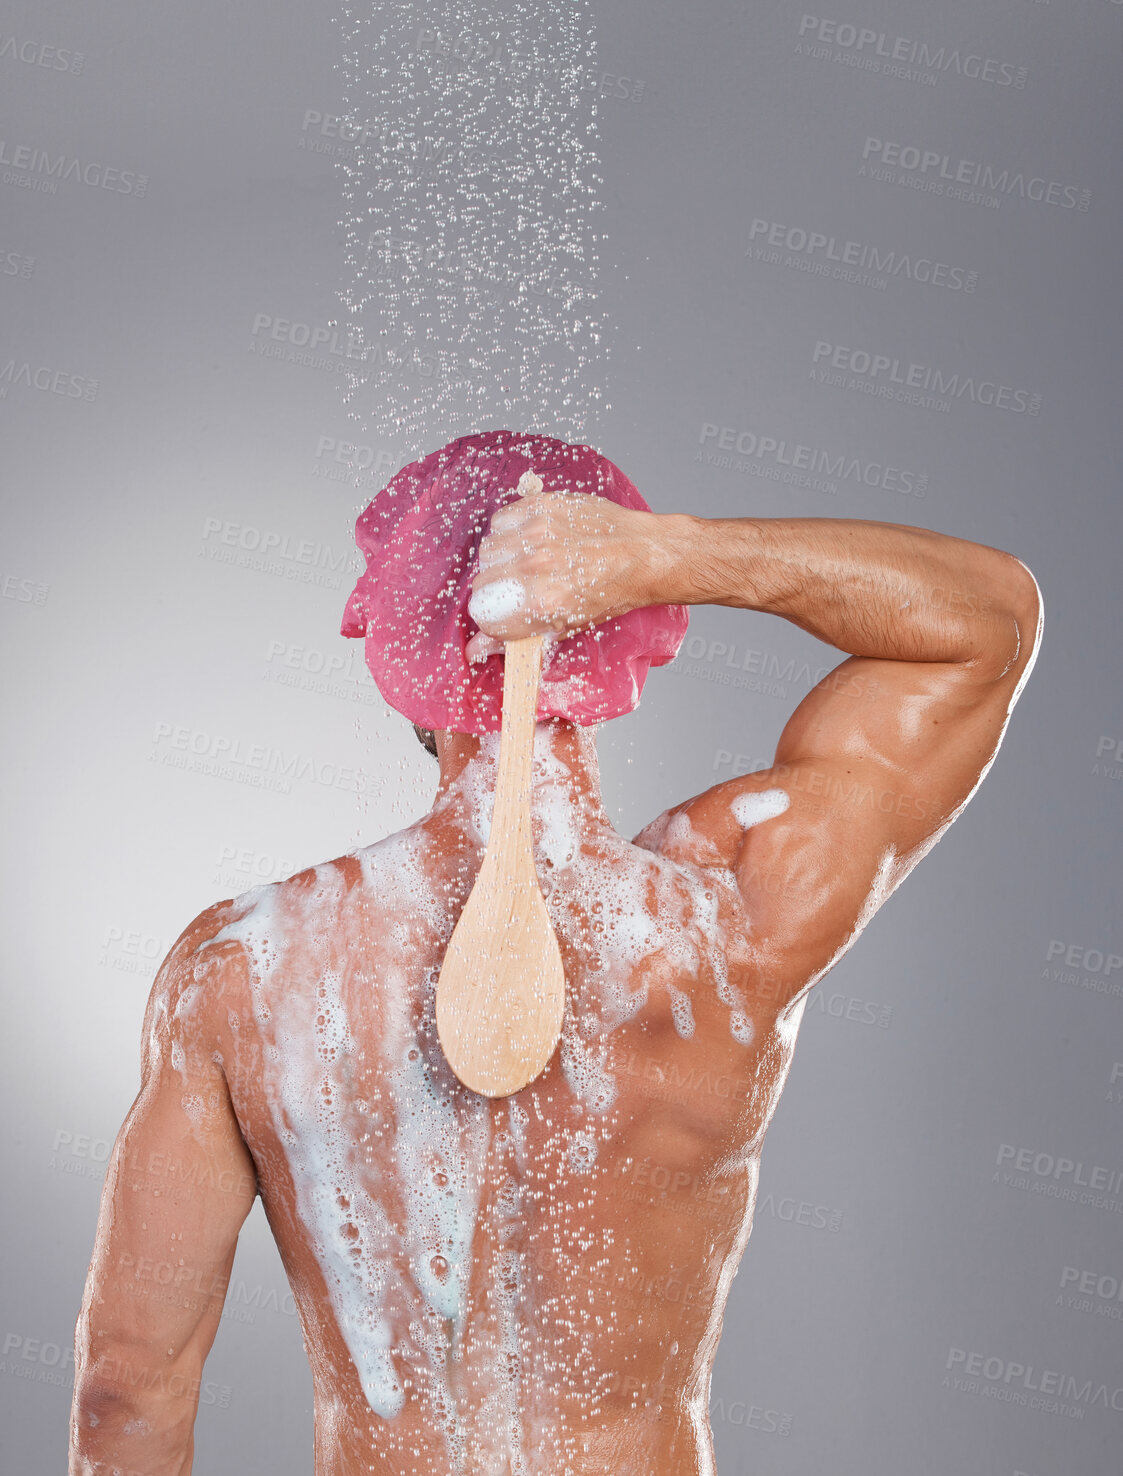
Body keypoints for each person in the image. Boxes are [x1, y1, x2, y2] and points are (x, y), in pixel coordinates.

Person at [69, 430, 1042, 1476]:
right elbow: (984, 626)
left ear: (397, 660)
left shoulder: (242, 970)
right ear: (634, 637)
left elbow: (127, 1385)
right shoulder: (733, 914)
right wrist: (674, 555)